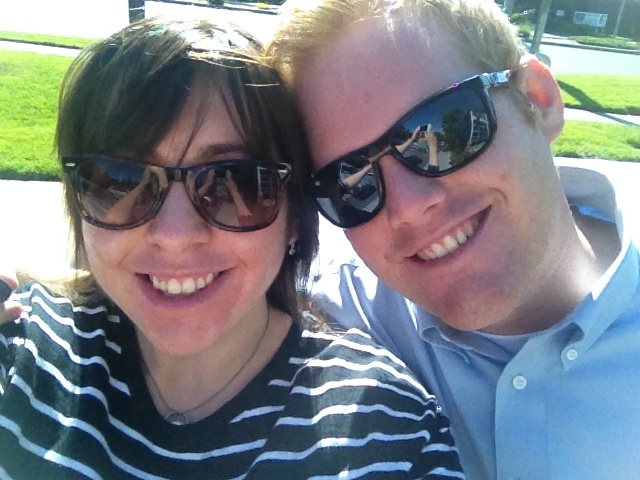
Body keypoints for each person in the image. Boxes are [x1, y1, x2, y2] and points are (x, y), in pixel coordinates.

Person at [0, 18, 465, 479]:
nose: (175, 234)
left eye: (235, 182)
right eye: (121, 180)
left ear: (295, 219)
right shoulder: (20, 344)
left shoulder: (390, 435)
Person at [266, 0, 640, 478]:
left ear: (538, 100)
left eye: (442, 133)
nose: (408, 207)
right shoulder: (331, 316)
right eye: (350, 184)